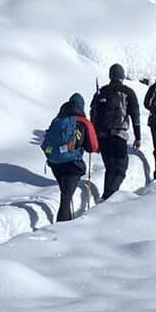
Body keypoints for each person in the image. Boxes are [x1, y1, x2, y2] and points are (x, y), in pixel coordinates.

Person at [42, 92, 98, 222]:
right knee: (66, 197)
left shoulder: (58, 120)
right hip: (73, 164)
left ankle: (65, 221)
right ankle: (63, 226)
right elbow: (92, 147)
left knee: (65, 193)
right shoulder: (83, 123)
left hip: (54, 162)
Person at [90, 64, 141, 200]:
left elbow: (93, 115)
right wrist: (138, 136)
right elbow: (135, 114)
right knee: (120, 169)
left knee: (110, 168)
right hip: (118, 135)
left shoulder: (101, 92)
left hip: (101, 136)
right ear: (122, 76)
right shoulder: (127, 92)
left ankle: (106, 196)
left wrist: (94, 138)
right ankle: (109, 197)